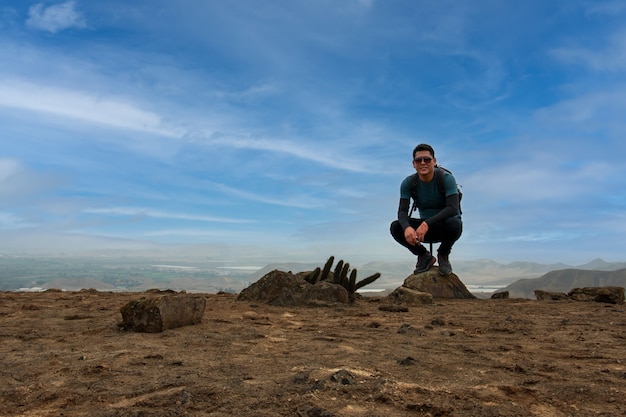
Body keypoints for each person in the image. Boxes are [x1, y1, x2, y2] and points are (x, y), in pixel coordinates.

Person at [390, 143, 462, 275]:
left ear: (434, 161)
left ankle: (443, 254)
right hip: (422, 231)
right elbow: (402, 212)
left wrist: (427, 223)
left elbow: (453, 208)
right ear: (413, 164)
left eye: (427, 159)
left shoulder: (446, 178)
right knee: (396, 227)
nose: (423, 163)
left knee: (455, 223)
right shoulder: (408, 183)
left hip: (443, 227)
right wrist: (407, 227)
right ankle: (424, 255)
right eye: (418, 160)